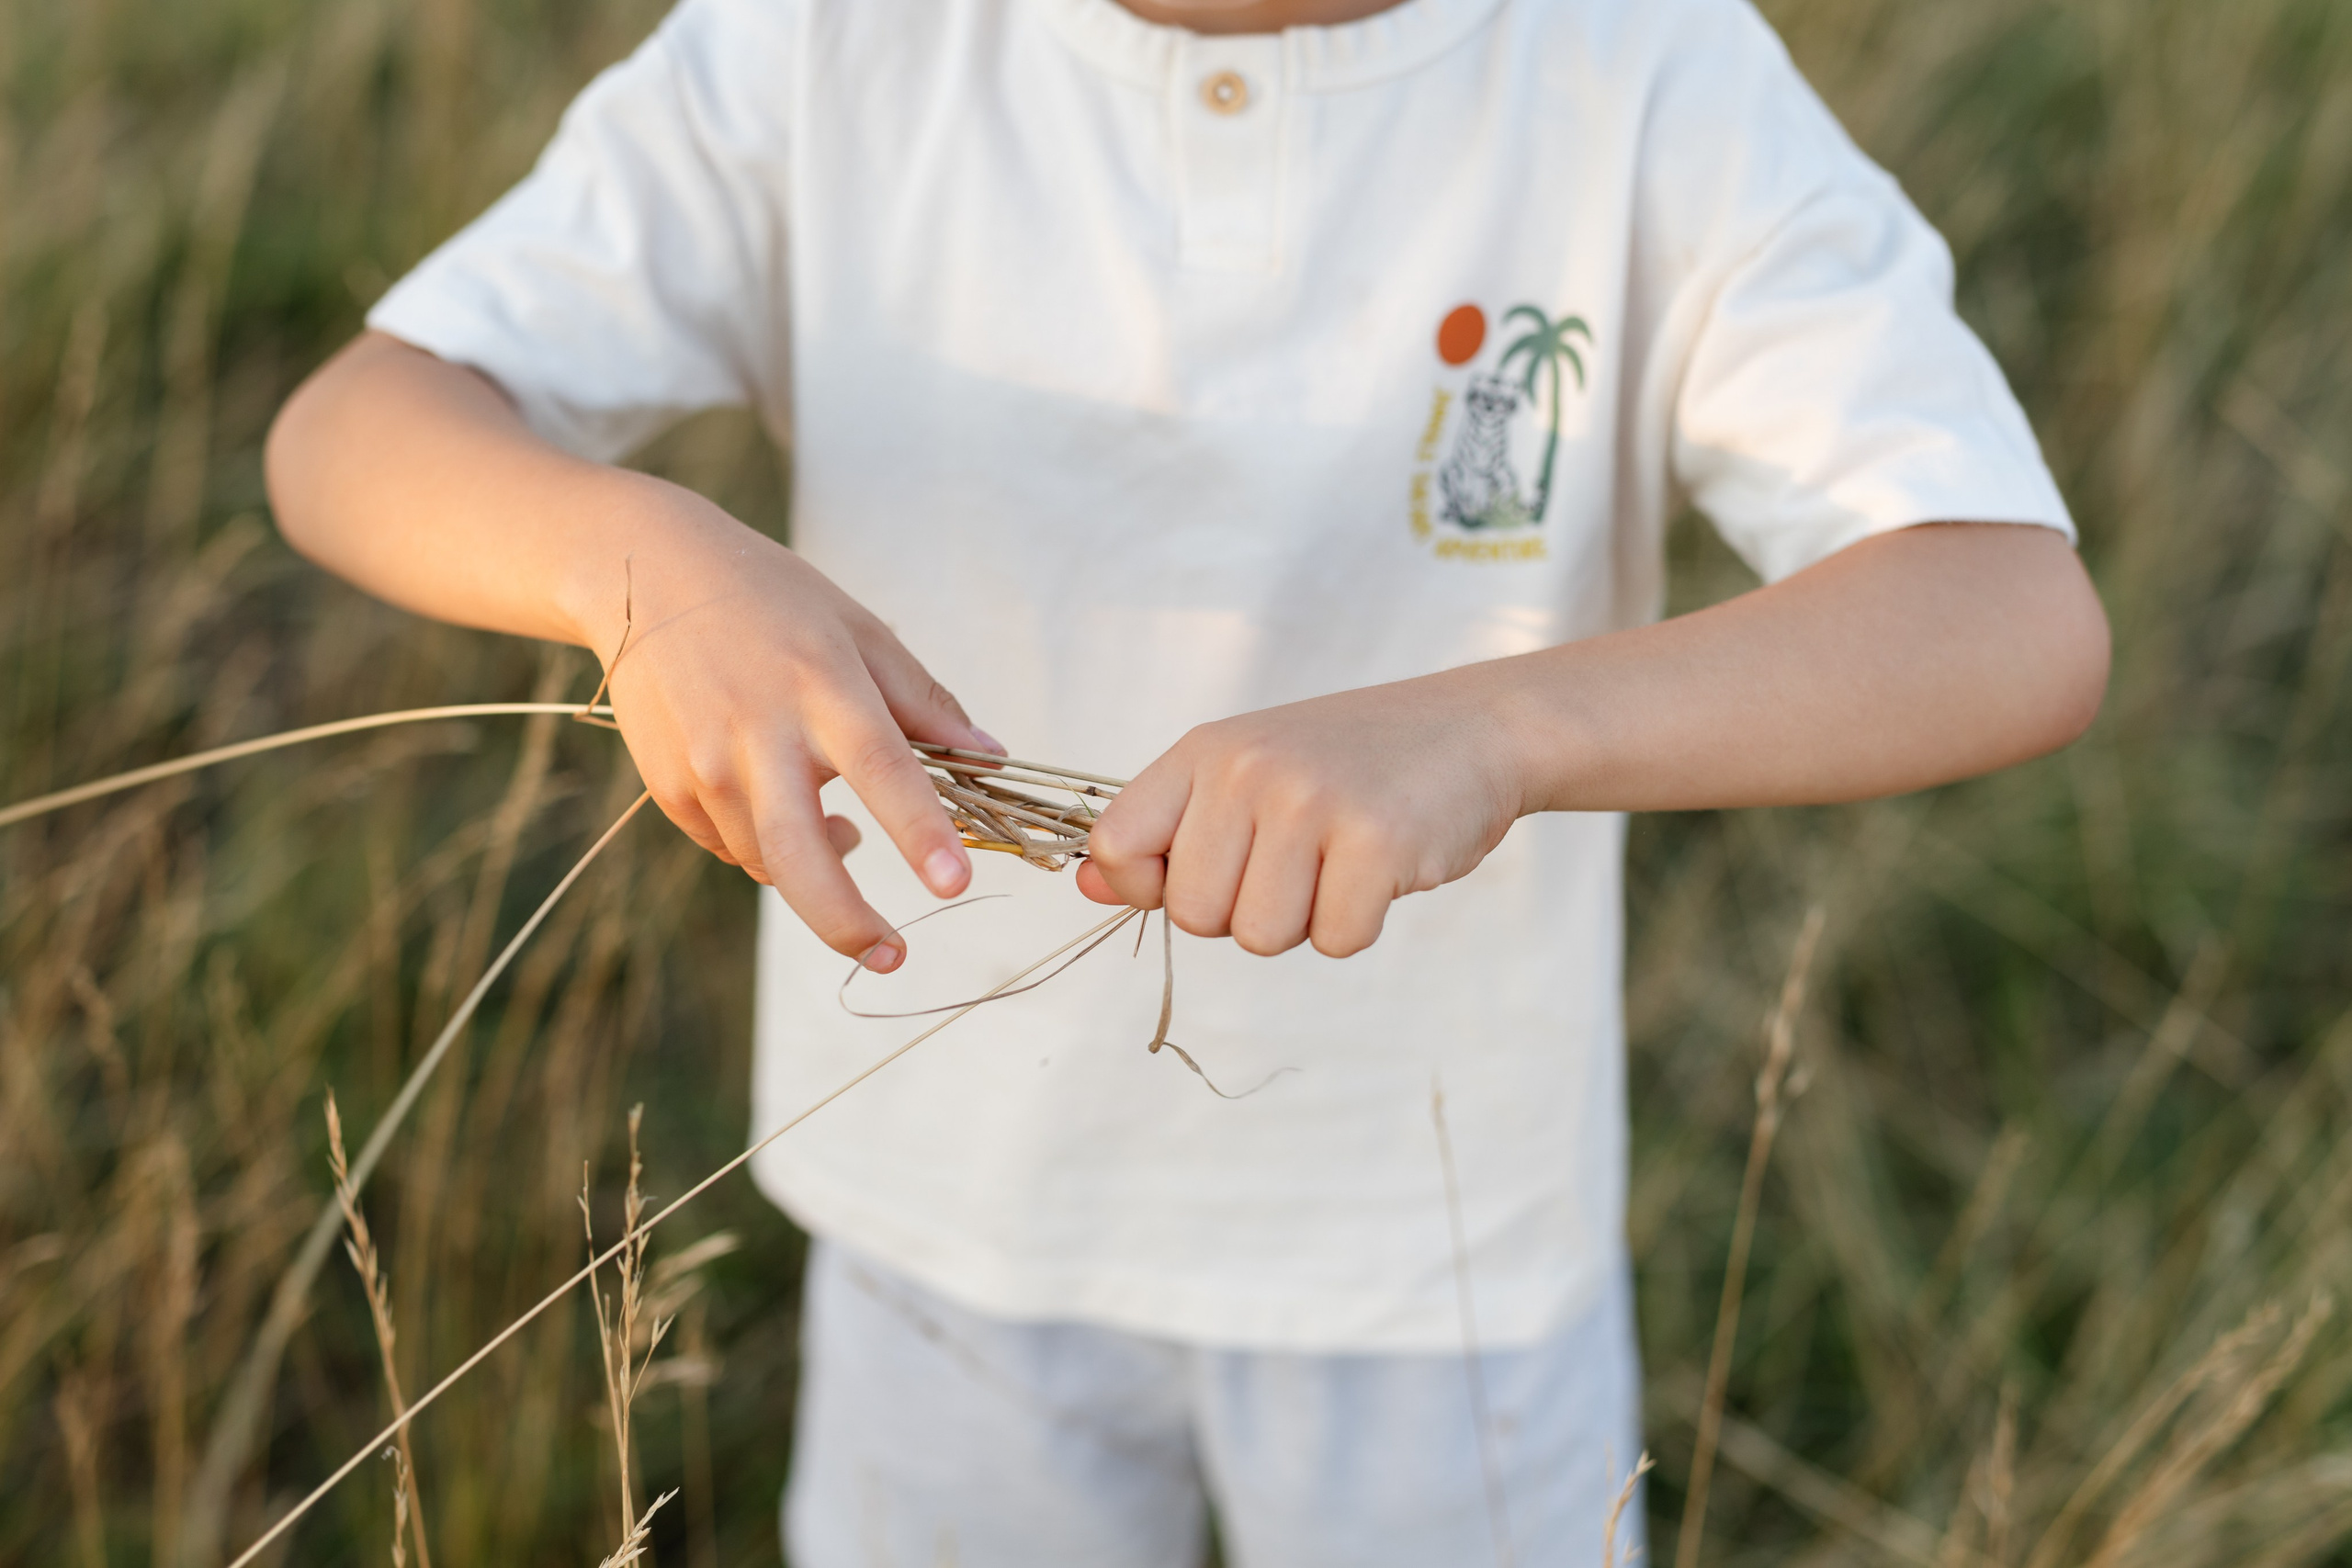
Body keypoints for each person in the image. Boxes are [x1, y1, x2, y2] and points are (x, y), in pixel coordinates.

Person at [265, 0, 2110, 1560]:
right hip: (944, 1225)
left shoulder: (1637, 63)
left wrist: (1491, 727)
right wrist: (637, 567)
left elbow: (2002, 606)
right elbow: (359, 427)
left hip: (1434, 1262)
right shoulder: (827, 43)